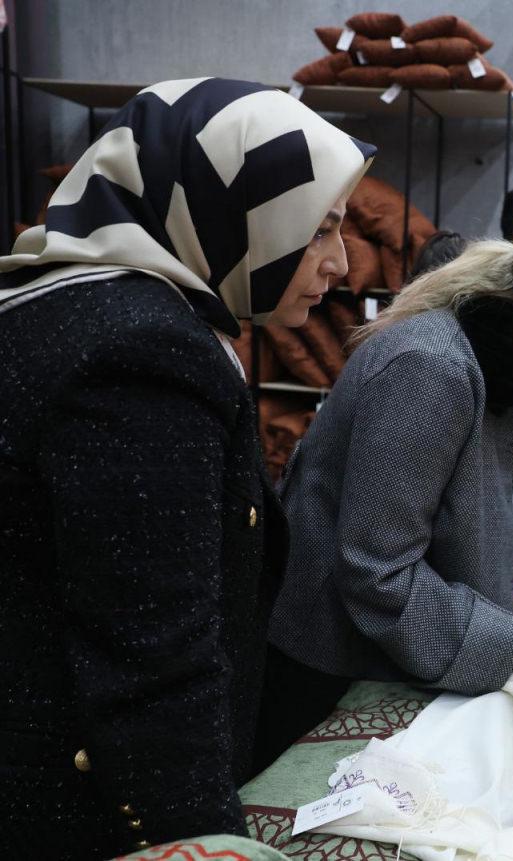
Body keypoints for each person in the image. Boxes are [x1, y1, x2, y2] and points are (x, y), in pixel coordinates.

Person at [0, 78, 373, 858]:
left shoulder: (67, 302)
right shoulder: (143, 348)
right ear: (225, 207)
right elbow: (152, 655)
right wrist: (203, 840)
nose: (341, 263)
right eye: (319, 229)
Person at [266, 207, 513, 739]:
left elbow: (510, 520)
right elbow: (378, 572)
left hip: (413, 669)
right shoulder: (432, 369)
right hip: (336, 679)